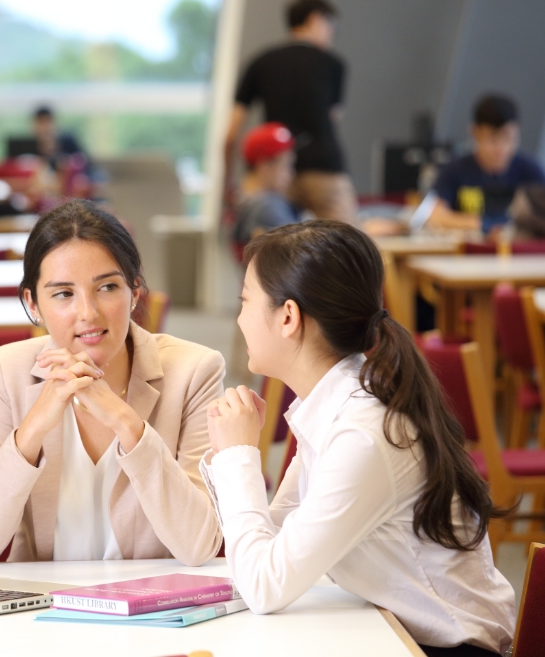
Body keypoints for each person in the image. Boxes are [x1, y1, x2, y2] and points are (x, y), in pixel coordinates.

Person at [203, 220, 515, 655]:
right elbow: (273, 541)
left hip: (446, 647)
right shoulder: (332, 408)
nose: (238, 318)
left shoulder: (364, 434)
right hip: (396, 632)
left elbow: (264, 585)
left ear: (288, 317)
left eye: (245, 302)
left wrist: (238, 455)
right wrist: (229, 457)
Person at [0, 200, 224, 566]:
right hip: (43, 613)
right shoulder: (11, 369)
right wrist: (32, 429)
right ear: (33, 304)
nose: (88, 313)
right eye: (63, 294)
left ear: (135, 293)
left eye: (108, 287)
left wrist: (126, 423)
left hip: (150, 609)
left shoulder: (195, 371)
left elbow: (199, 546)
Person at [227, 0, 356, 223]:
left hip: (276, 173)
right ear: (314, 20)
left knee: (278, 250)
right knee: (350, 249)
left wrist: (228, 182)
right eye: (330, 26)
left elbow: (231, 134)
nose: (331, 34)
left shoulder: (261, 62)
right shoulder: (333, 64)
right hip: (324, 169)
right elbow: (331, 117)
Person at [429, 94, 545, 233]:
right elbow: (435, 215)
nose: (501, 147)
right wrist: (482, 224)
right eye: (492, 138)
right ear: (474, 132)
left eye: (508, 138)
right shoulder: (454, 170)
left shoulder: (530, 171)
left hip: (517, 249)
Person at [233, 122, 301, 248]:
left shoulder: (245, 201)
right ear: (264, 166)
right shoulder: (267, 205)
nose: (291, 174)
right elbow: (298, 253)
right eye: (287, 165)